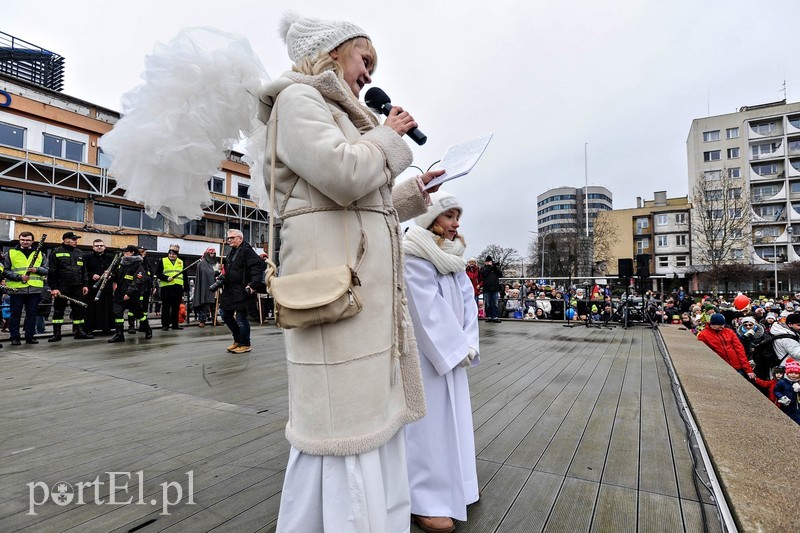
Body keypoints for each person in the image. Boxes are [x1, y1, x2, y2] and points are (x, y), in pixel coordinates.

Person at [263, 14, 442, 532]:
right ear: (332, 52)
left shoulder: (336, 111)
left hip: (357, 300)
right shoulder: (299, 100)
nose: (369, 74)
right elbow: (342, 176)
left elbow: (353, 204)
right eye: (366, 59)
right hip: (338, 298)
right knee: (343, 427)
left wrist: (411, 195)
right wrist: (388, 137)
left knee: (367, 423)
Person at [403, 191, 480, 532]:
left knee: (453, 421)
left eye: (457, 215)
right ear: (431, 218)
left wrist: (466, 344)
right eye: (449, 215)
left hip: (452, 354)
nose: (456, 223)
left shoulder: (453, 257)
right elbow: (424, 309)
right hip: (425, 357)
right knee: (427, 426)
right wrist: (453, 348)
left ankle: (458, 484)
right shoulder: (414, 255)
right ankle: (424, 499)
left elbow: (467, 304)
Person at [215, 230, 264, 354]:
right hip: (230, 289)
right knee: (225, 313)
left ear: (240, 239)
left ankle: (245, 343)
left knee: (242, 319)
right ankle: (238, 340)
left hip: (243, 290)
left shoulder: (247, 251)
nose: (229, 240)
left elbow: (256, 268)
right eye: (228, 238)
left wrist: (253, 285)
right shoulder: (232, 252)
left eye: (232, 238)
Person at [3, 231, 48, 345]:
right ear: (19, 240)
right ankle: (14, 337)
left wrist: (36, 270)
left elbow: (47, 269)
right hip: (17, 289)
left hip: (34, 289)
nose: (25, 242)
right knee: (15, 314)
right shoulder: (11, 253)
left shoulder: (40, 254)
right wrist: (19, 277)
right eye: (23, 239)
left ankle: (30, 336)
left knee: (32, 314)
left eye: (28, 240)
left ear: (32, 241)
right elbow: (6, 271)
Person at [47, 232, 93, 342]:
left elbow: (84, 271)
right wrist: (54, 287)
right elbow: (52, 271)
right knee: (59, 310)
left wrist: (85, 285)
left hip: (78, 287)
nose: (76, 241)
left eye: (76, 239)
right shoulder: (56, 252)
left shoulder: (79, 252)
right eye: (74, 239)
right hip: (62, 287)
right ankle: (56, 334)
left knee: (79, 310)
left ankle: (79, 331)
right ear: (66, 240)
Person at [108, 245, 153, 342]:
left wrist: (129, 293)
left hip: (132, 295)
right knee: (117, 314)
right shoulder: (121, 263)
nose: (124, 253)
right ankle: (119, 334)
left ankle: (147, 329)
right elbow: (117, 276)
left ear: (132, 252)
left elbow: (137, 281)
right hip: (119, 293)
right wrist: (110, 277)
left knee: (139, 314)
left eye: (126, 251)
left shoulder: (138, 264)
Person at [696, 313, 755, 379]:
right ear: (712, 324)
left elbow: (740, 350)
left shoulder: (729, 332)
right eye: (720, 325)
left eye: (723, 325)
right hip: (720, 368)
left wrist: (748, 369)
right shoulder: (703, 335)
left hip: (737, 367)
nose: (722, 327)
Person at [84, 238, 115, 335]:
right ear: (93, 247)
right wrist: (91, 275)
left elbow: (116, 272)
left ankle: (106, 328)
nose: (99, 247)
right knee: (91, 309)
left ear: (104, 247)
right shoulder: (87, 258)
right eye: (97, 246)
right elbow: (83, 271)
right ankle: (89, 329)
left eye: (101, 245)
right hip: (92, 287)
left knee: (106, 309)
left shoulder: (111, 258)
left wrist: (110, 275)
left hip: (106, 288)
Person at [156, 244, 184, 331]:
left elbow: (184, 276)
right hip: (166, 287)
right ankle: (165, 325)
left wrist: (185, 288)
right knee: (166, 308)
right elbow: (158, 273)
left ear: (177, 254)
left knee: (176, 308)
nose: (172, 255)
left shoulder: (181, 261)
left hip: (177, 288)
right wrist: (166, 278)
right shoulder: (163, 261)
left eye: (174, 254)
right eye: (170, 253)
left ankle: (175, 324)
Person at [194, 248, 218, 327]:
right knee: (205, 305)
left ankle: (215, 320)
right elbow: (206, 273)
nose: (213, 255)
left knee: (214, 305)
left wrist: (219, 272)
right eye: (211, 253)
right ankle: (202, 320)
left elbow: (218, 272)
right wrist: (214, 273)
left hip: (215, 286)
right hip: (206, 287)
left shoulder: (215, 263)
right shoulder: (202, 263)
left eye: (214, 254)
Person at [774, 359, 800, 424]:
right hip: (785, 406)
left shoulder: (799, 383)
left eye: (796, 373)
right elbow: (776, 391)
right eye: (791, 373)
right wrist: (781, 397)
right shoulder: (782, 382)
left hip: (797, 407)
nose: (793, 375)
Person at [480, 256, 503, 323]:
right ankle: (489, 316)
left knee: (495, 303)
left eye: (490, 261)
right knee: (488, 304)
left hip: (495, 288)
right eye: (488, 261)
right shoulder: (483, 268)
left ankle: (495, 317)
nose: (489, 263)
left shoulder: (495, 268)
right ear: (485, 262)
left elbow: (500, 274)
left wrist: (495, 267)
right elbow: (483, 274)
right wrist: (490, 267)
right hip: (487, 288)